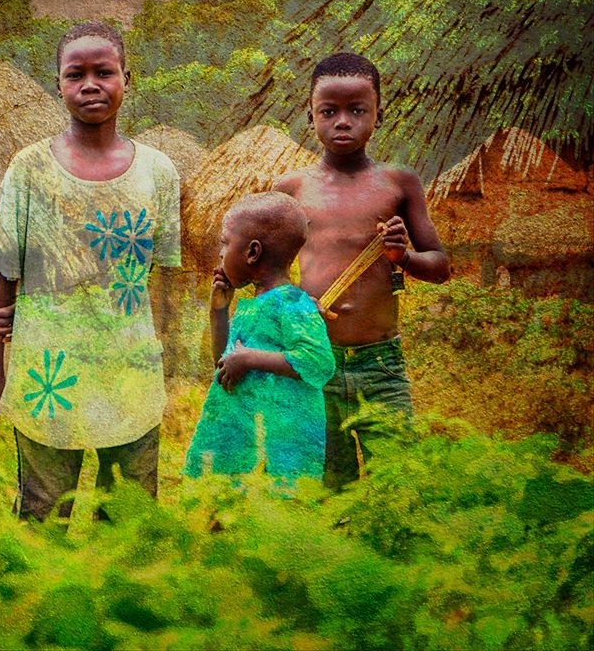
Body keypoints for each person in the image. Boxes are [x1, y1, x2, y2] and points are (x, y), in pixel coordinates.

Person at [0, 21, 182, 521]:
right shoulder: (29, 169)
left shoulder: (158, 172)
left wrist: (166, 364)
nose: (90, 85)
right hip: (48, 369)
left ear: (127, 79)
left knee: (130, 511)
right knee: (44, 510)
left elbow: (163, 282)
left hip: (129, 368)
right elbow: (4, 272)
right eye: (76, 75)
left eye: (103, 72)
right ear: (59, 85)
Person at [274, 52, 449, 488]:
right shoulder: (291, 188)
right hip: (316, 360)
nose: (342, 122)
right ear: (310, 116)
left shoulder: (399, 183)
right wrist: (296, 305)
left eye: (357, 110)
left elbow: (440, 266)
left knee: (397, 485)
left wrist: (403, 258)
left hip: (381, 365)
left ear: (378, 114)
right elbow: (267, 276)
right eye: (328, 112)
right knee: (329, 488)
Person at [183, 193, 335, 483]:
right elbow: (224, 366)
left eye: (225, 243)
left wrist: (251, 359)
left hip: (279, 449)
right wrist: (219, 312)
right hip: (246, 440)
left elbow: (318, 362)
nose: (221, 254)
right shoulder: (253, 305)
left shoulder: (293, 302)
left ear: (252, 252)